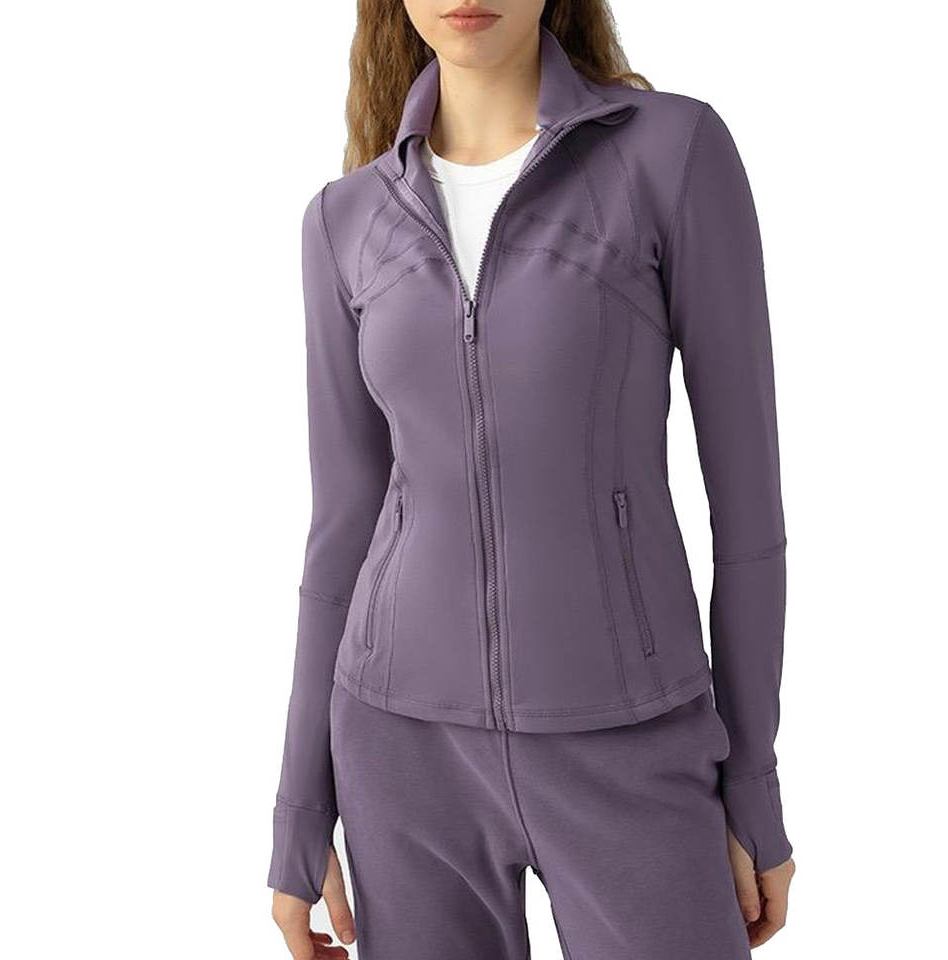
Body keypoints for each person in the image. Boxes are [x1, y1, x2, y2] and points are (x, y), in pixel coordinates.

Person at [269, 2, 796, 957]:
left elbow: (750, 508)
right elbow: (341, 526)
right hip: (399, 752)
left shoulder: (668, 154)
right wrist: (300, 811)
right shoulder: (343, 221)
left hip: (633, 739)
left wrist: (752, 781)